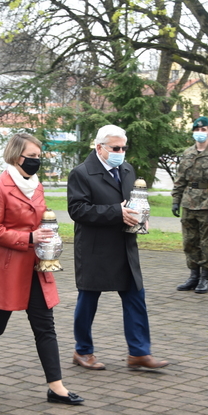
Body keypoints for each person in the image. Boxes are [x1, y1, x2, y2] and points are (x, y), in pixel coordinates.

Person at [0, 134, 84, 405]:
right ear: (16, 156)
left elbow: (39, 218)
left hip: (36, 267)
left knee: (45, 326)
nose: (36, 161)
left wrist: (48, 234)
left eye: (39, 157)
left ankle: (56, 387)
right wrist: (28, 238)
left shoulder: (36, 185)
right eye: (31, 156)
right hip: (7, 268)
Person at [67, 124, 169, 371]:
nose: (120, 152)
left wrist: (141, 216)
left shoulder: (127, 169)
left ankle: (139, 352)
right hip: (95, 248)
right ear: (99, 147)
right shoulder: (81, 173)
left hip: (124, 245)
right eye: (115, 148)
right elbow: (77, 210)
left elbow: (134, 201)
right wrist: (116, 212)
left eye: (123, 148)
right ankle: (82, 350)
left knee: (135, 297)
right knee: (88, 299)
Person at [171, 116, 208, 294]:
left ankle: (205, 277)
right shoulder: (188, 153)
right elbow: (180, 179)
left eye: (203, 130)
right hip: (189, 202)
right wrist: (176, 200)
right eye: (196, 130)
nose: (199, 133)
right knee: (189, 241)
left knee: (207, 242)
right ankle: (193, 275)